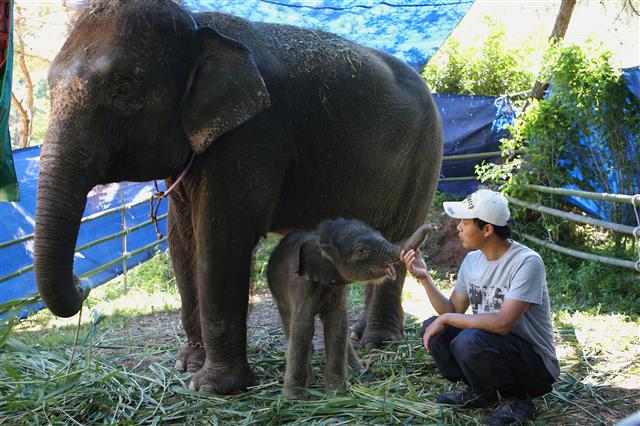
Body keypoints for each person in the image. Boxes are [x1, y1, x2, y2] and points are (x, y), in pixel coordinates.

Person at [400, 189, 559, 426]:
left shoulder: (526, 262)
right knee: (433, 329)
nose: (458, 227)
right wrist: (425, 279)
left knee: (469, 340)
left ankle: (516, 399)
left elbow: (503, 323)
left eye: (465, 222)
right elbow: (452, 309)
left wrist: (447, 320)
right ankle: (482, 391)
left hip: (533, 365)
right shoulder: (472, 261)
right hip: (492, 347)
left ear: (487, 229)